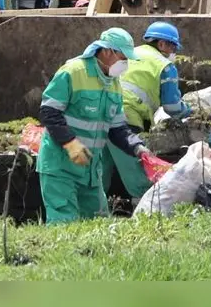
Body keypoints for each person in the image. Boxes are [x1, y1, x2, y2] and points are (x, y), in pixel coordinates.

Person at [36, 28, 157, 223]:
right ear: (107, 51)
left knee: (97, 225)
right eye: (123, 57)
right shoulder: (73, 72)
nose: (125, 63)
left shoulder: (114, 84)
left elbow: (117, 129)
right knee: (63, 224)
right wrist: (70, 143)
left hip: (90, 171)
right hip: (61, 166)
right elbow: (49, 112)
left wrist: (138, 147)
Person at [101, 21, 192, 200]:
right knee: (137, 173)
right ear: (161, 44)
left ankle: (93, 211)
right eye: (173, 47)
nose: (173, 52)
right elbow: (172, 107)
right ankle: (145, 210)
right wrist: (190, 112)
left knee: (100, 171)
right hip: (127, 119)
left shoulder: (130, 54)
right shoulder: (164, 66)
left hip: (101, 112)